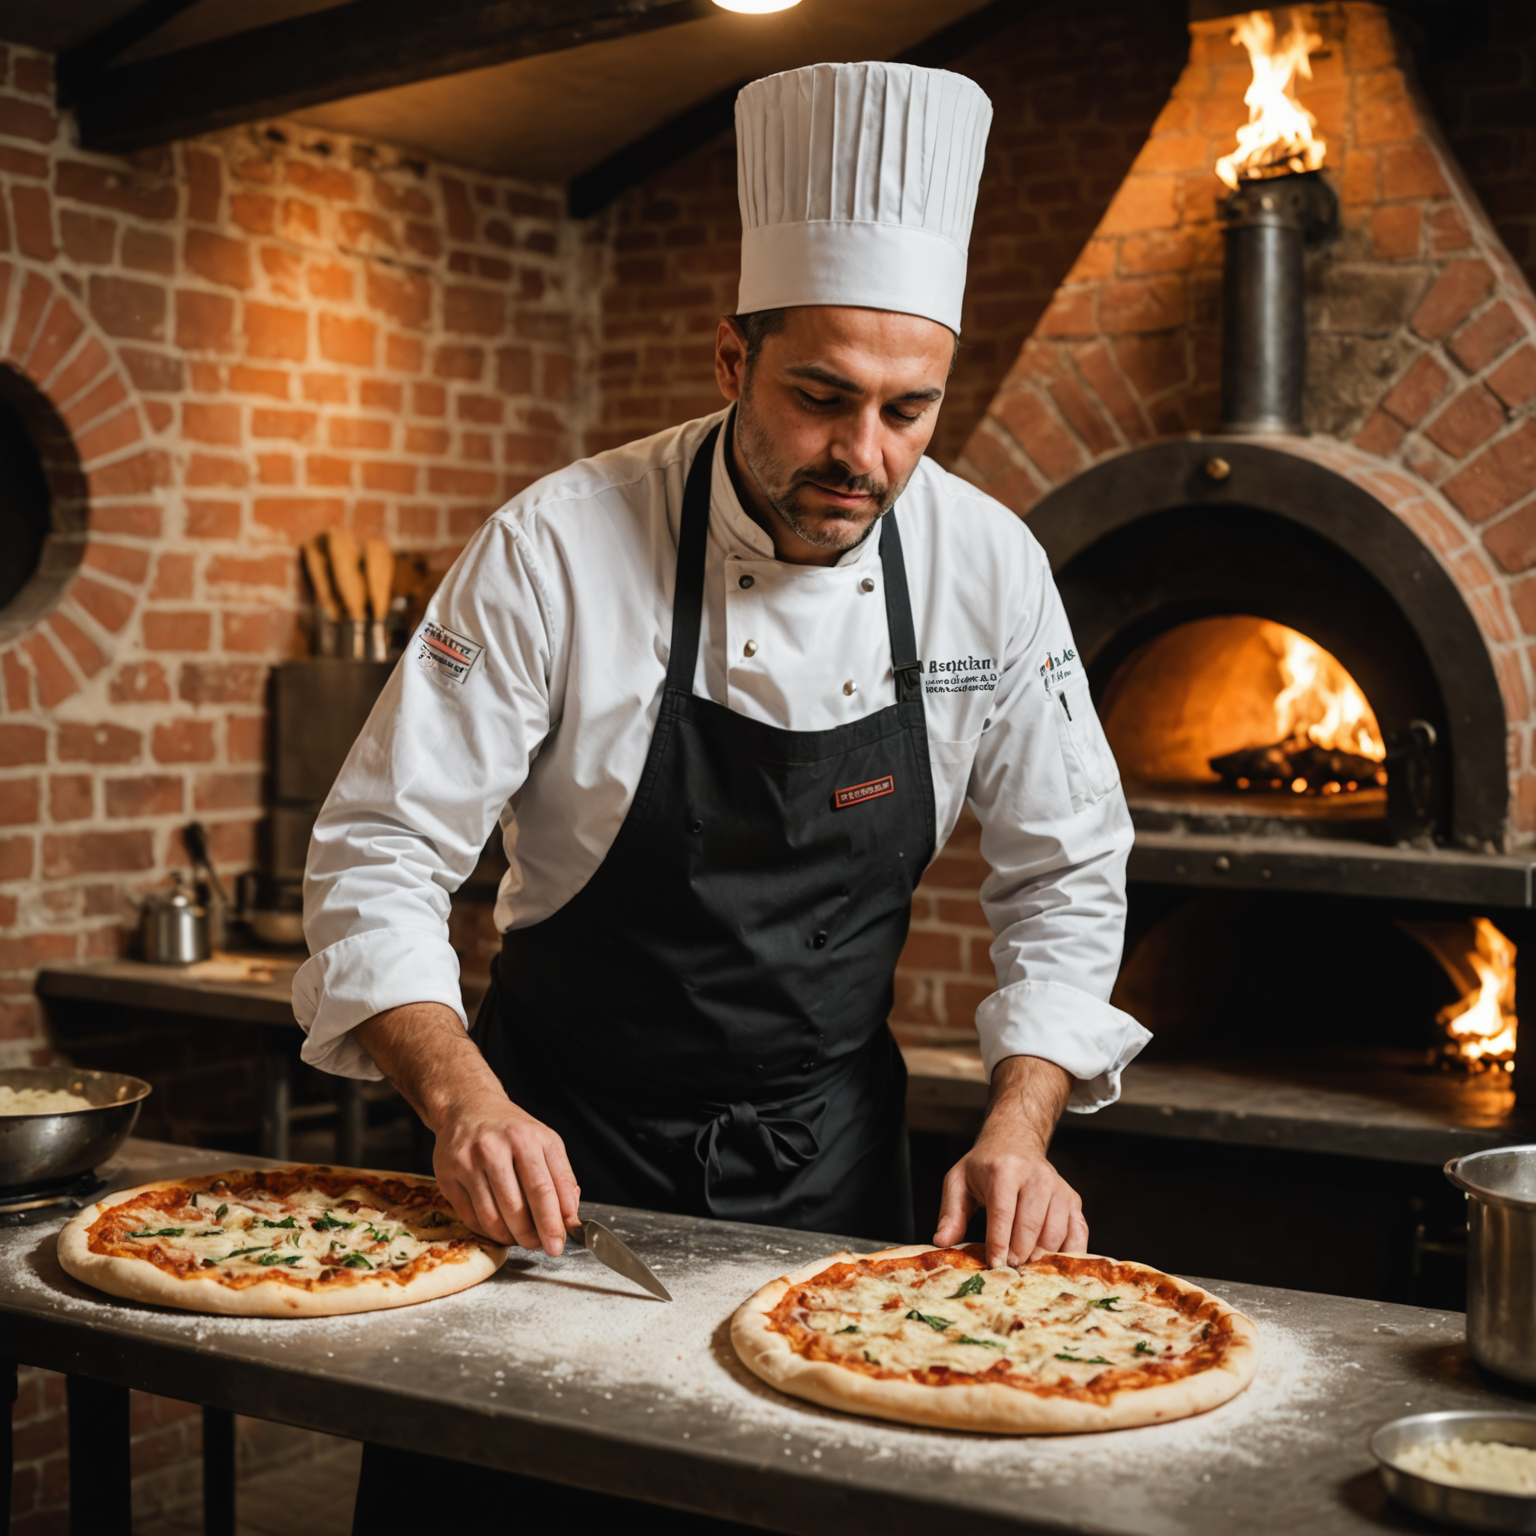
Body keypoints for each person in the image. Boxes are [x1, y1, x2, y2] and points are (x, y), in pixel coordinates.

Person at [298, 61, 1148, 1289]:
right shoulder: (556, 545)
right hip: (550, 1156)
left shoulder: (988, 565)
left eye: (910, 412)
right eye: (821, 398)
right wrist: (461, 1103)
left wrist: (1021, 1128)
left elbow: (1067, 868)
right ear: (729, 360)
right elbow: (380, 851)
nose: (864, 457)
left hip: (836, 1156)